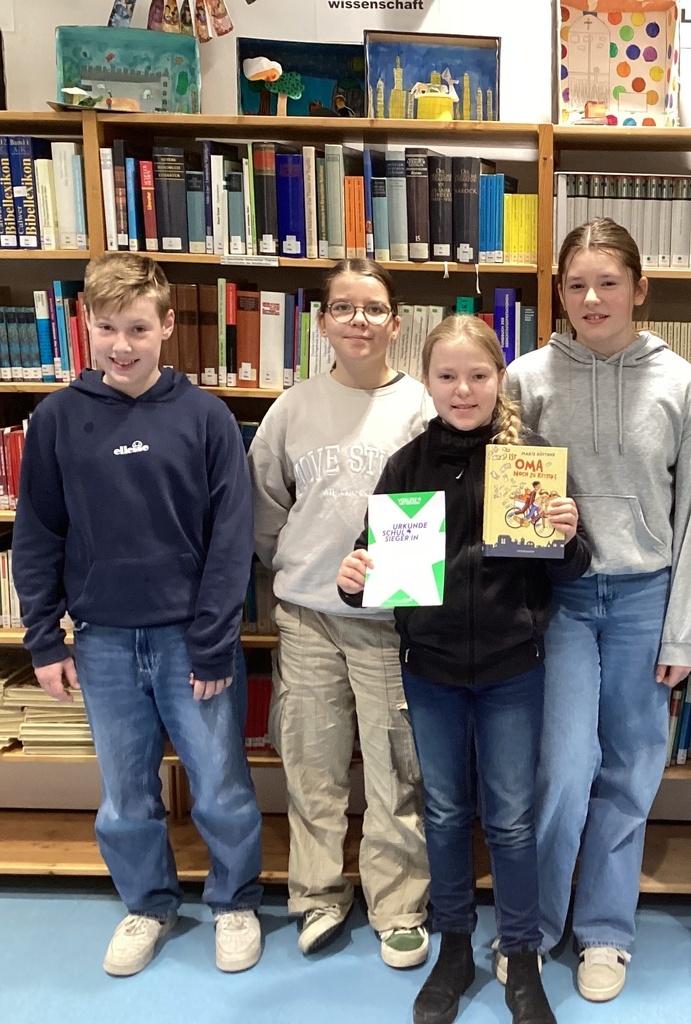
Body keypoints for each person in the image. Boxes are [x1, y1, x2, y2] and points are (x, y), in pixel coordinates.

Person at [12, 252, 263, 976]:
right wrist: (43, 639)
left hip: (192, 641)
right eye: (107, 328)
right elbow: (38, 533)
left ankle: (235, 901)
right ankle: (149, 904)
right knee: (125, 793)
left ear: (167, 326)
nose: (122, 345)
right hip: (102, 642)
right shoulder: (57, 420)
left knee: (220, 784)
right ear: (86, 324)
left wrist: (214, 641)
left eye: (138, 329)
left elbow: (231, 541)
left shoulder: (206, 418)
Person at [337, 315, 590, 1024]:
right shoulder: (407, 465)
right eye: (447, 376)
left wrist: (568, 538)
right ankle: (454, 949)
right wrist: (354, 578)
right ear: (427, 382)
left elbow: (571, 568)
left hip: (513, 669)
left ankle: (521, 956)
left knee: (510, 819)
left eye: (478, 375)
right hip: (432, 669)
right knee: (445, 813)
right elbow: (372, 564)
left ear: (499, 379)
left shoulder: (529, 458)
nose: (463, 389)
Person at [506, 217, 691, 1002]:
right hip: (557, 600)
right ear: (558, 292)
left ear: (639, 289)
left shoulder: (682, 385)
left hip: (643, 598)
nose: (592, 298)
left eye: (608, 283)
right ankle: (531, 927)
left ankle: (604, 932)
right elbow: (505, 502)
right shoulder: (525, 380)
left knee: (630, 770)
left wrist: (684, 632)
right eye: (576, 285)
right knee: (562, 769)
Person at [247, 258, 432, 964]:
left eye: (374, 308)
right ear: (321, 323)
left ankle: (398, 903)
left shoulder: (420, 407)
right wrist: (298, 571)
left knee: (395, 770)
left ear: (396, 323)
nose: (360, 320)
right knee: (313, 764)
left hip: (389, 624)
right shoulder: (293, 408)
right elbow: (266, 509)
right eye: (344, 307)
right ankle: (319, 894)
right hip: (308, 620)